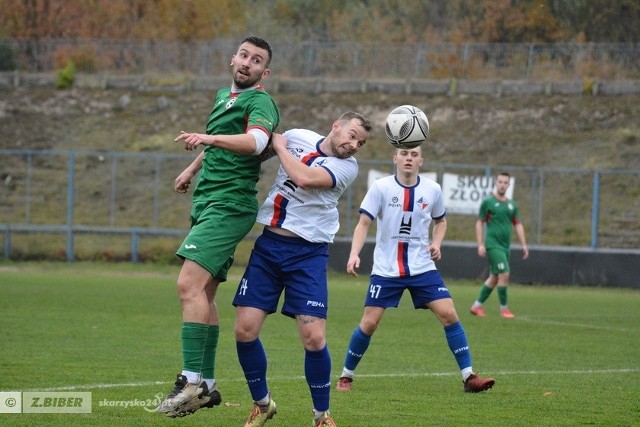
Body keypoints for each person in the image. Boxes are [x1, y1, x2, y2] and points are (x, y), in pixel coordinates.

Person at [155, 36, 280, 418]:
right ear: (233, 59)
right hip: (208, 200)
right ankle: (207, 386)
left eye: (256, 60)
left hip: (229, 204)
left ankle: (190, 380)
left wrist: (208, 137)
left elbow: (256, 140)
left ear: (264, 72)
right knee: (205, 294)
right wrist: (191, 169)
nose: (247, 62)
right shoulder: (222, 98)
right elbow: (216, 147)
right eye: (244, 55)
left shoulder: (260, 101)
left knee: (187, 285)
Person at [233, 112, 373, 427]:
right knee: (244, 330)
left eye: (360, 143)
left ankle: (321, 415)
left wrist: (281, 147)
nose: (353, 145)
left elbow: (305, 178)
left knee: (313, 337)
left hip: (308, 255)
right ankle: (262, 404)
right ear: (336, 125)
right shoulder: (297, 136)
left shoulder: (346, 167)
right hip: (269, 247)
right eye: (351, 135)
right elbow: (254, 149)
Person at [336, 145, 495, 394]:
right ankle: (346, 375)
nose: (408, 158)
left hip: (422, 267)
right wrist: (354, 254)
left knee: (449, 313)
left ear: (421, 160)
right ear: (395, 158)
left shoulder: (433, 189)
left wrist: (436, 242)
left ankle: (469, 377)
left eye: (414, 155)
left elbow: (441, 221)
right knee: (369, 323)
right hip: (387, 269)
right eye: (404, 154)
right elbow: (363, 223)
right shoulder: (381, 187)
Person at [470, 172, 529, 319]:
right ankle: (504, 309)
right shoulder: (488, 203)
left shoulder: (512, 205)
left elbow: (518, 224)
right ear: (495, 183)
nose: (502, 185)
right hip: (493, 245)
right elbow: (479, 222)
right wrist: (480, 244)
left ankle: (476, 306)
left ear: (508, 185)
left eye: (505, 182)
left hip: (505, 246)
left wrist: (524, 244)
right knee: (505, 273)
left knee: (494, 277)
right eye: (500, 182)